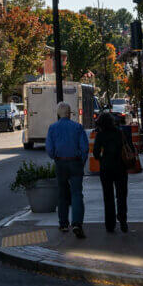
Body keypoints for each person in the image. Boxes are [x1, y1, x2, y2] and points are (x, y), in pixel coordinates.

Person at [45, 101, 89, 238]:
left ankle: (63, 224)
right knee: (76, 193)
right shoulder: (78, 127)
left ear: (58, 113)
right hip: (75, 162)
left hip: (61, 162)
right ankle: (77, 223)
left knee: (62, 194)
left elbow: (49, 148)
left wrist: (55, 157)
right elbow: (84, 148)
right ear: (69, 113)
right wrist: (81, 161)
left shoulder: (53, 128)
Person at [93, 111, 129, 233]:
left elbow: (96, 154)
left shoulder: (100, 135)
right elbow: (128, 146)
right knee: (121, 195)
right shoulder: (119, 133)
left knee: (108, 196)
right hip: (120, 167)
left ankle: (110, 224)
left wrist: (102, 158)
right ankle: (123, 218)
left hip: (106, 168)